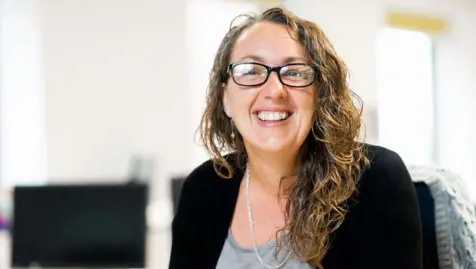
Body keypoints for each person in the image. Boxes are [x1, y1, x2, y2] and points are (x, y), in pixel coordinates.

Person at [169, 6, 422, 269]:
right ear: (226, 99)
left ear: (320, 95)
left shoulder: (375, 180)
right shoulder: (202, 188)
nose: (274, 90)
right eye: (251, 70)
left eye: (294, 72)